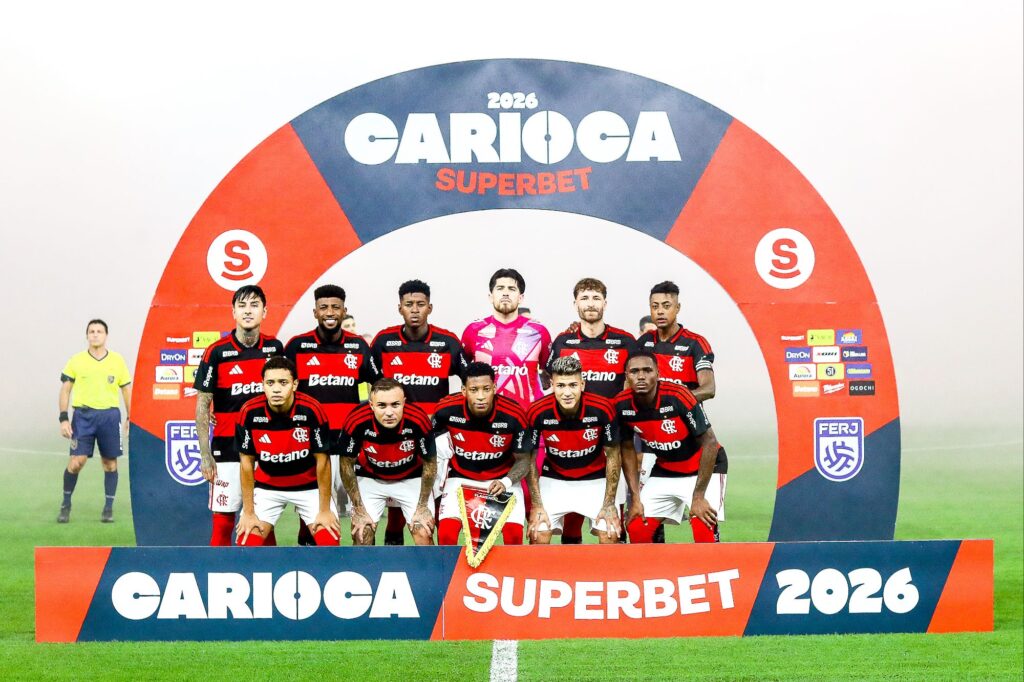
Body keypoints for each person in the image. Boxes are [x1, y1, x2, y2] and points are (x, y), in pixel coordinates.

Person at [369, 279, 468, 544]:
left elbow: (470, 383)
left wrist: (447, 412)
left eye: (420, 304)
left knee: (433, 502)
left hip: (435, 437)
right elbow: (373, 385)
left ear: (430, 308)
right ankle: (394, 556)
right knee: (395, 509)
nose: (415, 309)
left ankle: (435, 558)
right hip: (396, 436)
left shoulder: (447, 342)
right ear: (399, 308)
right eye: (409, 304)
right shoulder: (384, 342)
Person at [284, 284, 376, 542]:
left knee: (357, 512)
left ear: (344, 311)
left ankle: (356, 559)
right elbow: (281, 387)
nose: (330, 312)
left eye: (336, 307)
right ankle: (308, 555)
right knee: (312, 514)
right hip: (311, 446)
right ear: (315, 312)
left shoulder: (358, 346)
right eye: (323, 307)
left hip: (348, 444)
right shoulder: (297, 346)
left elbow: (380, 388)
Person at [547, 277, 635, 543]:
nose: (590, 304)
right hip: (574, 438)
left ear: (605, 303)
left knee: (612, 522)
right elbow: (551, 383)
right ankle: (572, 566)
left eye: (596, 298)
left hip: (613, 438)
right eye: (584, 298)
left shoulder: (625, 341)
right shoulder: (563, 342)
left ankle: (613, 564)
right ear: (575, 303)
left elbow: (635, 383)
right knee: (572, 520)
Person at [194, 285, 284, 546]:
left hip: (266, 450)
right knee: (223, 522)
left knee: (263, 524)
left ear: (264, 312)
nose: (248, 311)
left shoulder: (274, 348)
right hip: (227, 450)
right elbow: (202, 405)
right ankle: (217, 571)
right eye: (242, 306)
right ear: (233, 312)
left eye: (254, 305)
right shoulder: (216, 352)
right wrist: (205, 455)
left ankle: (268, 572)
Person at [637, 280, 728, 534]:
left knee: (703, 527)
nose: (660, 311)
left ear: (678, 308)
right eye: (655, 306)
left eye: (666, 305)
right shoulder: (643, 343)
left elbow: (709, 388)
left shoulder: (694, 343)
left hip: (698, 449)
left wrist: (674, 402)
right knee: (640, 527)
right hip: (662, 454)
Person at [615, 350, 722, 543]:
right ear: (626, 376)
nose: (641, 376)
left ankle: (711, 554)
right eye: (634, 371)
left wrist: (698, 496)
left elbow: (710, 443)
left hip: (703, 468)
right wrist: (636, 498)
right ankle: (652, 565)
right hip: (666, 468)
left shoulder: (678, 396)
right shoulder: (621, 405)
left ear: (658, 373)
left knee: (703, 527)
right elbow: (627, 448)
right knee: (637, 526)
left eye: (647, 370)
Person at [234, 357, 340, 546]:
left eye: (283, 382)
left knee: (329, 543)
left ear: (295, 384)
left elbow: (323, 461)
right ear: (262, 384)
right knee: (247, 545)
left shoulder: (312, 410)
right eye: (270, 383)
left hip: (309, 488)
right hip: (267, 488)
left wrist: (324, 510)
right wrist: (248, 513)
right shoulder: (248, 412)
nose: (276, 389)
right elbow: (246, 463)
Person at [431, 362, 532, 546]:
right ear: (463, 391)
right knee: (446, 535)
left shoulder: (514, 414)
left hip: (502, 480)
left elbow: (524, 460)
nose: (480, 396)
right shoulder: (445, 409)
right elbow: (428, 446)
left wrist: (506, 482)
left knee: (514, 538)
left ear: (494, 388)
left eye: (486, 389)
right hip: (460, 477)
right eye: (474, 390)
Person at [524, 355, 622, 544]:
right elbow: (529, 459)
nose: (567, 393)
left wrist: (609, 503)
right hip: (554, 479)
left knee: (610, 534)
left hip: (595, 480)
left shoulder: (603, 408)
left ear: (582, 385)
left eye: (573, 385)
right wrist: (536, 504)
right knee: (538, 534)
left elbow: (613, 456)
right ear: (552, 385)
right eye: (561, 386)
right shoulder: (537, 411)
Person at [337, 378, 437, 546]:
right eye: (382, 406)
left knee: (423, 531)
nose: (389, 412)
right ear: (371, 405)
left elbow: (430, 463)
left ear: (404, 402)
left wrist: (422, 507)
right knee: (362, 534)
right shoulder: (356, 420)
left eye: (395, 405)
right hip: (370, 477)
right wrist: (359, 509)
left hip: (411, 477)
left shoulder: (418, 419)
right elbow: (346, 464)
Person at [57, 319, 132, 523]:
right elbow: (65, 390)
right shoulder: (76, 361)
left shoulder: (117, 361)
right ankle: (66, 504)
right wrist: (64, 418)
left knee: (110, 463)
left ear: (106, 335)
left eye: (99, 331)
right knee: (76, 462)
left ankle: (108, 509)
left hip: (109, 417)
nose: (95, 334)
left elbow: (126, 390)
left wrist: (130, 417)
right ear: (87, 336)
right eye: (92, 331)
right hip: (83, 417)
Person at [462, 268, 551, 409]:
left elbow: (550, 372)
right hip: (487, 416)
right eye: (500, 288)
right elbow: (464, 373)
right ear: (490, 296)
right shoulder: (473, 330)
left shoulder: (539, 331)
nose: (505, 293)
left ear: (521, 298)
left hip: (527, 416)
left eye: (511, 289)